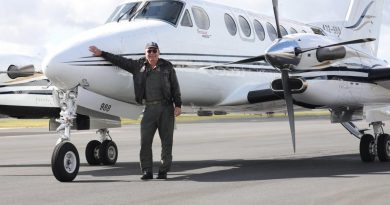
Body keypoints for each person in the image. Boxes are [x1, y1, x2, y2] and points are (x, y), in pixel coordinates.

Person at [89, 42, 182, 180]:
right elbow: (120, 61)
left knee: (167, 142)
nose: (151, 54)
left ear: (158, 52)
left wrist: (178, 104)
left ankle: (163, 170)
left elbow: (175, 86)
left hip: (166, 108)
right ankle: (146, 171)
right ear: (145, 53)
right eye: (149, 51)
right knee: (145, 142)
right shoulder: (139, 66)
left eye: (154, 51)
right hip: (149, 108)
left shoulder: (167, 67)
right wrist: (102, 53)